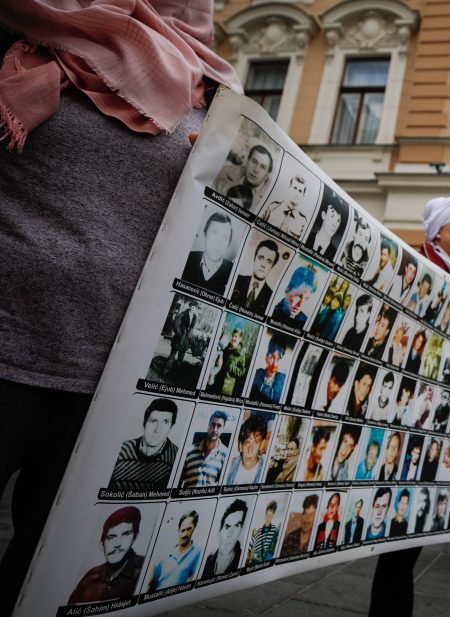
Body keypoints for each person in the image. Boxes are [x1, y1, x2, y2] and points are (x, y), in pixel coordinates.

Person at [0, 0, 240, 605]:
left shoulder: (207, 88)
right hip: (7, 352)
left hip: (109, 385)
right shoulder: (27, 35)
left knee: (41, 570)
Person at [370, 195, 450, 616]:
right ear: (437, 232)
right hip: (405, 422)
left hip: (429, 424)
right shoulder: (420, 267)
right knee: (401, 538)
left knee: (409, 537)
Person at [68, 507, 146, 604]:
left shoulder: (146, 569)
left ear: (135, 537)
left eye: (126, 534)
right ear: (102, 545)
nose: (118, 544)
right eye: (111, 537)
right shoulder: (90, 578)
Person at [109, 398, 179, 490]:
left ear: (171, 427)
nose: (158, 430)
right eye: (153, 421)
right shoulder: (121, 450)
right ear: (143, 424)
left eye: (166, 422)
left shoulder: (177, 457)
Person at [181, 212, 235, 295]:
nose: (218, 242)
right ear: (204, 235)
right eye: (215, 233)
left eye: (225, 237)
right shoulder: (186, 258)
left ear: (228, 243)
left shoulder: (233, 272)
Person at [147, 511, 201, 591]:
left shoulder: (197, 554)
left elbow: (192, 580)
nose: (185, 534)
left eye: (189, 529)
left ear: (194, 527)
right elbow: (150, 584)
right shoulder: (165, 554)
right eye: (183, 530)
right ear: (178, 530)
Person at [228, 239, 280, 314]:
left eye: (269, 262)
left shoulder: (272, 297)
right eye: (260, 258)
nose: (263, 265)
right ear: (254, 258)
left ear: (272, 266)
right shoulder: (236, 279)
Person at [180, 410, 230, 487]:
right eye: (213, 425)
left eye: (219, 426)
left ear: (223, 430)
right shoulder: (189, 451)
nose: (215, 429)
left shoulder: (226, 455)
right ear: (208, 426)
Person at [214, 144, 273, 209]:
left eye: (263, 167)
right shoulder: (224, 173)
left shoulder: (270, 196)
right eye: (254, 162)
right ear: (247, 161)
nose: (256, 170)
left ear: (266, 175)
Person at [202, 500, 247, 578]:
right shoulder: (206, 562)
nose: (230, 534)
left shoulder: (244, 559)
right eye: (227, 527)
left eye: (236, 526)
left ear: (241, 529)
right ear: (219, 530)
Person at [224, 413, 268, 485]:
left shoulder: (265, 473)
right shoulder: (228, 466)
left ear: (262, 445)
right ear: (240, 446)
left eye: (255, 443)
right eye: (247, 443)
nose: (250, 450)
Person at [260, 175, 309, 239]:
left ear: (303, 196)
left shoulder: (302, 221)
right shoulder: (272, 207)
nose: (296, 193)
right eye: (294, 188)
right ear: (289, 188)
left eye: (300, 191)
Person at [206, 328, 249, 397]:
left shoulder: (241, 353)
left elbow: (242, 372)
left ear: (240, 339)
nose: (233, 338)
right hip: (215, 381)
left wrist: (230, 366)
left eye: (236, 336)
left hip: (226, 387)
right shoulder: (226, 348)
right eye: (233, 336)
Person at [250, 335, 289, 403]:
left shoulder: (284, 381)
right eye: (271, 357)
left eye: (278, 359)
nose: (274, 364)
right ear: (266, 357)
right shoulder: (254, 375)